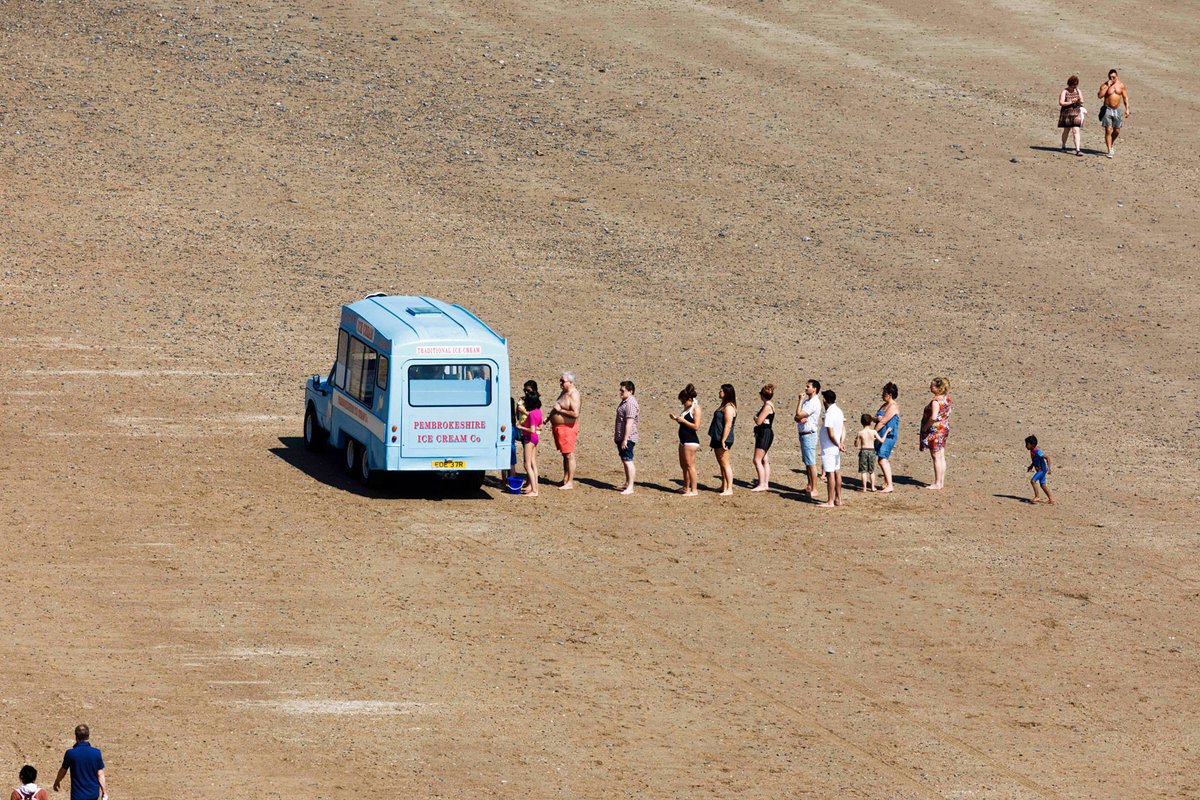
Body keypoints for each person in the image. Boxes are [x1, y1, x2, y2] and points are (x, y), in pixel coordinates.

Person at [54, 725, 106, 800]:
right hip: (93, 794)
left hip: (77, 795)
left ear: (76, 737)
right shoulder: (96, 753)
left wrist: (57, 781)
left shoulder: (70, 753)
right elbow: (100, 774)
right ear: (88, 736)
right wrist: (104, 792)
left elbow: (63, 770)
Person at [549, 371, 582, 489]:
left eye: (563, 381)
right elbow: (556, 407)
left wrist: (560, 411)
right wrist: (547, 419)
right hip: (559, 428)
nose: (561, 383)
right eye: (560, 380)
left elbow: (575, 413)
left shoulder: (574, 394)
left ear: (571, 382)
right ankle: (565, 479)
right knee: (564, 454)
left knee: (569, 454)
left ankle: (570, 482)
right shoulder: (564, 392)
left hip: (568, 429)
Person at [669, 384, 702, 496]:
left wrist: (683, 421)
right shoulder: (687, 408)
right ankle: (686, 487)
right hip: (683, 440)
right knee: (683, 466)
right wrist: (677, 419)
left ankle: (694, 490)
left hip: (690, 441)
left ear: (689, 399)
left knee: (690, 466)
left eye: (683, 401)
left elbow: (696, 426)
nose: (682, 403)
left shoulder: (696, 409)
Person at [919, 377, 952, 489]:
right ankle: (941, 482)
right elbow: (948, 411)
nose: (930, 387)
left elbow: (933, 417)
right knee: (941, 455)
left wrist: (925, 427)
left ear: (938, 388)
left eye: (932, 385)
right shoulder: (946, 398)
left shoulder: (935, 401)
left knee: (936, 456)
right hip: (944, 428)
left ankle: (938, 483)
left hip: (936, 430)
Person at [816, 390, 846, 508]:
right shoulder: (838, 411)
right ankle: (838, 499)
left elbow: (831, 433)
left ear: (825, 400)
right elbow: (843, 429)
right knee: (837, 472)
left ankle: (830, 501)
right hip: (835, 447)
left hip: (829, 447)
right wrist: (841, 442)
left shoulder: (829, 413)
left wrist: (838, 443)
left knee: (830, 474)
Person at [793, 379, 822, 494]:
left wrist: (800, 401)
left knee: (811, 462)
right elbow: (796, 417)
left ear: (814, 389)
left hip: (809, 435)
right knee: (807, 462)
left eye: (808, 386)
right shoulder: (807, 402)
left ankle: (814, 488)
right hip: (803, 434)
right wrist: (799, 417)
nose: (805, 388)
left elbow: (799, 414)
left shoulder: (813, 402)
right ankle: (810, 485)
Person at [708, 384, 737, 496]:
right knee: (721, 463)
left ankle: (729, 488)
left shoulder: (729, 407)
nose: (719, 392)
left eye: (721, 391)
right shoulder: (723, 405)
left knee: (725, 463)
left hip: (723, 438)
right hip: (718, 437)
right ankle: (723, 485)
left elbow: (728, 425)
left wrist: (723, 440)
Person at [1097, 68, 1131, 158]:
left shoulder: (1121, 85)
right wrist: (1108, 86)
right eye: (1110, 77)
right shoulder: (1104, 85)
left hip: (1117, 110)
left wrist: (1127, 109)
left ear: (1117, 76)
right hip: (1107, 109)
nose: (1112, 79)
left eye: (1114, 77)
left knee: (1117, 130)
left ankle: (1110, 143)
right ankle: (1109, 150)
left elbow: (1125, 97)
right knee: (1108, 129)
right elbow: (1100, 96)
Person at [515, 383, 542, 496]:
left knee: (527, 465)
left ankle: (534, 490)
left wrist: (521, 427)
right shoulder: (538, 412)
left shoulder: (531, 414)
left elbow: (532, 430)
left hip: (529, 438)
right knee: (533, 463)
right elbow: (540, 427)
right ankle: (534, 487)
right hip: (535, 438)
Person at [614, 380, 640, 495]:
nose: (620, 392)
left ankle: (630, 486)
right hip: (622, 437)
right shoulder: (625, 402)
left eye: (623, 390)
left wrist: (625, 439)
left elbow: (629, 423)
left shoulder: (630, 404)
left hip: (627, 438)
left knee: (628, 460)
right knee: (625, 460)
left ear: (630, 391)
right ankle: (627, 483)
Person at [873, 382, 900, 493]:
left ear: (889, 394)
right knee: (882, 458)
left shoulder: (893, 406)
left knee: (882, 459)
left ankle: (890, 485)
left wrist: (872, 433)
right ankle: (886, 482)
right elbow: (876, 418)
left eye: (884, 392)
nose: (882, 394)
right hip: (880, 435)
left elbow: (884, 421)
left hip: (888, 435)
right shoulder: (884, 405)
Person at [751, 385, 776, 492]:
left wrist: (755, 418)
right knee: (764, 459)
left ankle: (761, 484)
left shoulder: (767, 406)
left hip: (764, 434)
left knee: (757, 460)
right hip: (766, 432)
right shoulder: (769, 405)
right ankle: (765, 483)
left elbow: (759, 421)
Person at [855, 413, 884, 492]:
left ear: (861, 422)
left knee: (863, 471)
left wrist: (856, 440)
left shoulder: (860, 432)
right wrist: (886, 432)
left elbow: (856, 444)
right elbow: (881, 440)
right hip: (871, 451)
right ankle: (872, 487)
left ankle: (864, 488)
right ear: (871, 422)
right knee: (871, 471)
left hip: (864, 450)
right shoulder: (873, 432)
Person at [1058, 75, 1085, 156]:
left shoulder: (1078, 90)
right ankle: (1063, 146)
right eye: (1073, 85)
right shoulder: (1064, 91)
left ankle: (1078, 149)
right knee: (1066, 130)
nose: (1074, 87)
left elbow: (1082, 101)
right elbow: (1061, 102)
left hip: (1076, 112)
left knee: (1076, 130)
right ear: (1069, 84)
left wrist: (1078, 100)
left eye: (1075, 85)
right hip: (1066, 112)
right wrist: (1071, 102)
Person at [1025, 435, 1056, 504]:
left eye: (1027, 444)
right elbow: (1035, 460)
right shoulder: (1032, 451)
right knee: (1043, 485)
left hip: (1041, 470)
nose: (1026, 446)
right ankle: (1051, 499)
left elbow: (1047, 457)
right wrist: (1031, 466)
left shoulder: (1037, 451)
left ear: (1032, 445)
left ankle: (1037, 496)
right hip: (1040, 469)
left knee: (1033, 481)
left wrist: (1049, 468)